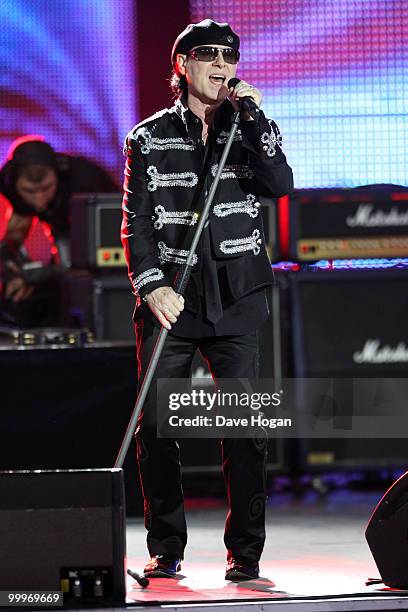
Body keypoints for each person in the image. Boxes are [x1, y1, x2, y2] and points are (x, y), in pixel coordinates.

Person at [121, 19, 293, 581]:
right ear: (182, 65)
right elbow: (135, 223)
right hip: (172, 301)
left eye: (229, 57)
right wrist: (152, 286)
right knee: (154, 428)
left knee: (245, 429)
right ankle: (165, 547)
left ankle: (245, 554)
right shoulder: (147, 137)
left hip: (238, 296)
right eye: (208, 56)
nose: (222, 66)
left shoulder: (247, 126)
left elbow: (279, 183)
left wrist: (255, 118)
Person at [0, 138, 118, 326]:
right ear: (15, 183)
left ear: (58, 174)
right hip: (61, 231)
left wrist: (53, 272)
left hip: (101, 236)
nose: (39, 199)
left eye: (46, 188)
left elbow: (107, 242)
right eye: (29, 191)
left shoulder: (85, 179)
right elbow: (16, 230)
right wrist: (13, 270)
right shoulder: (8, 181)